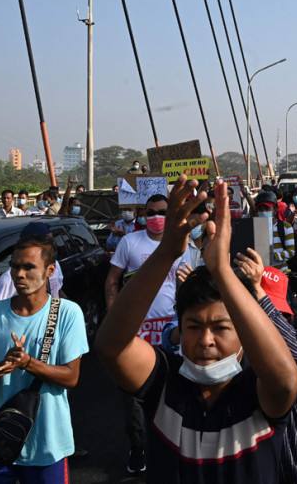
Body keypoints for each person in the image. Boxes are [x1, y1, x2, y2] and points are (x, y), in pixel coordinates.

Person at [94, 177, 297, 482]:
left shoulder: (257, 391)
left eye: (220, 328)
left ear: (245, 335)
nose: (205, 341)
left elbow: (286, 381)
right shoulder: (165, 382)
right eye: (193, 326)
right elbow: (111, 347)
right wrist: (166, 253)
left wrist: (221, 269)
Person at [0, 231, 87, 482]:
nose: (19, 274)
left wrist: (28, 363)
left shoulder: (68, 313)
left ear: (50, 271)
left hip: (47, 445)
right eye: (15, 266)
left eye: (29, 267)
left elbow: (71, 377)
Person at [103, 193, 197, 473]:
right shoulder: (129, 242)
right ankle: (138, 446)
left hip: (170, 330)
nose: (156, 217)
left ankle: (172, 445)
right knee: (133, 393)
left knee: (173, 388)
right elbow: (112, 280)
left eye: (162, 212)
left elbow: (186, 289)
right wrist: (115, 316)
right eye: (151, 212)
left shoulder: (182, 246)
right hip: (137, 331)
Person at [234, 252, 297, 484]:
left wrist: (258, 294)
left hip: (287, 468)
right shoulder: (233, 347)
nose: (266, 324)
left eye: (276, 314)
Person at [255, 190, 295, 276]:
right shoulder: (254, 228)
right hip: (260, 275)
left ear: (275, 210)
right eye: (260, 209)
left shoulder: (286, 227)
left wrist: (273, 256)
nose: (263, 212)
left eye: (266, 209)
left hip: (280, 275)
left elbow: (291, 252)